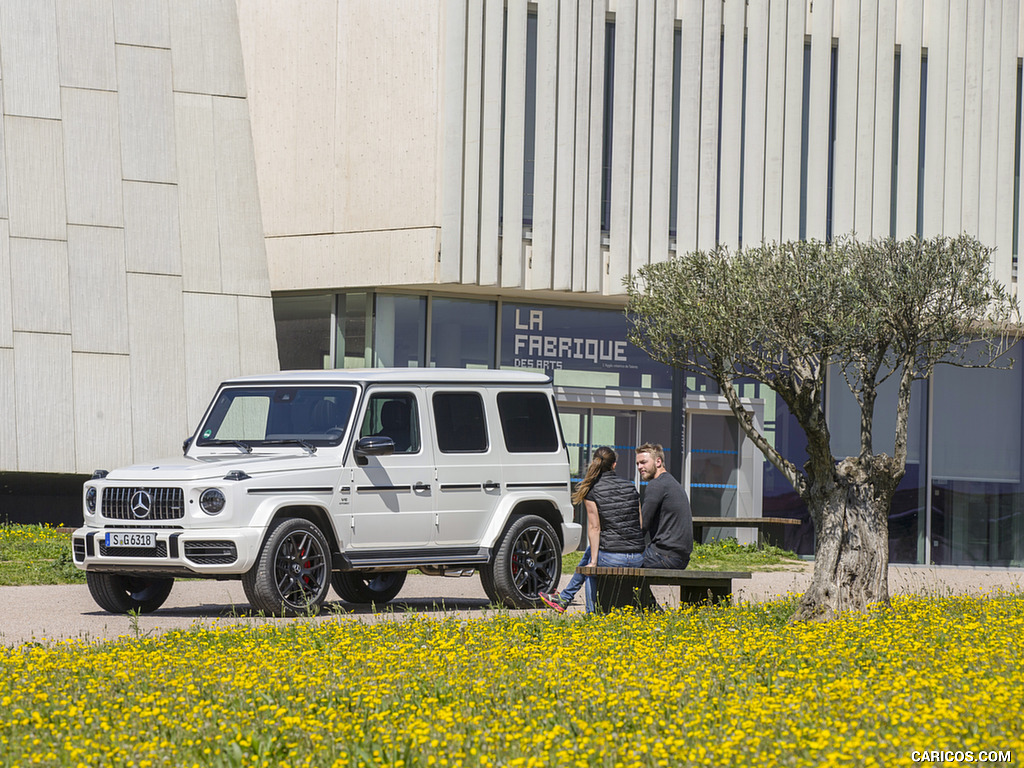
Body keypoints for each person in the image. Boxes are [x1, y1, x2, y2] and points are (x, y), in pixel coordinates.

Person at [538, 446, 645, 613]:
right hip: (637, 557)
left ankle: (588, 613)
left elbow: (595, 528)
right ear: (614, 465)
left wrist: (594, 562)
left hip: (613, 558)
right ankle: (564, 598)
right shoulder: (631, 487)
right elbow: (639, 522)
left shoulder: (593, 491)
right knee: (590, 555)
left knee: (589, 567)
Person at [636, 442, 693, 569]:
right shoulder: (672, 483)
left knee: (616, 562)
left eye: (643, 462)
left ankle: (580, 586)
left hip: (664, 556)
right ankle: (640, 590)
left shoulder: (657, 485)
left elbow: (642, 525)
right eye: (637, 464)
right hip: (679, 558)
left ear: (658, 462)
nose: (639, 467)